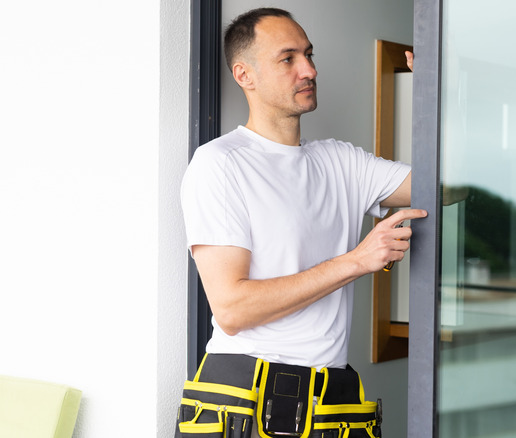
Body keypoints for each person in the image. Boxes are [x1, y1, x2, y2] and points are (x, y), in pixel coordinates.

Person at [176, 7, 425, 438]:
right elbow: (232, 310)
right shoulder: (220, 164)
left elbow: (447, 187)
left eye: (309, 55)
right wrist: (356, 260)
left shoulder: (340, 161)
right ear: (244, 75)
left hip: (333, 403)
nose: (308, 69)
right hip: (245, 405)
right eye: (287, 58)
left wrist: (439, 98)